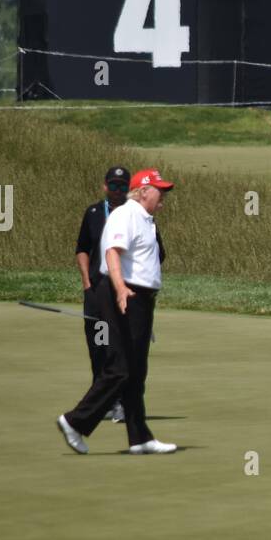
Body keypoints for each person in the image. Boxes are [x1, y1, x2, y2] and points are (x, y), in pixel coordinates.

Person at [57, 168, 177, 456]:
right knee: (120, 368)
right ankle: (75, 421)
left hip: (139, 297)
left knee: (136, 371)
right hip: (123, 295)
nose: (164, 196)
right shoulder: (127, 214)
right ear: (144, 191)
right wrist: (122, 289)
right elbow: (112, 251)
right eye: (160, 190)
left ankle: (139, 438)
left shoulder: (146, 220)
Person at [75, 167, 131, 424]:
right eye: (113, 185)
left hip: (121, 293)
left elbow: (157, 253)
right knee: (98, 347)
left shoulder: (136, 216)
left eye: (122, 186)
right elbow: (82, 249)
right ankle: (103, 403)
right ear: (104, 186)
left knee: (116, 349)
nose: (117, 191)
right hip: (96, 293)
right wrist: (87, 282)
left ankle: (119, 402)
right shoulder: (94, 213)